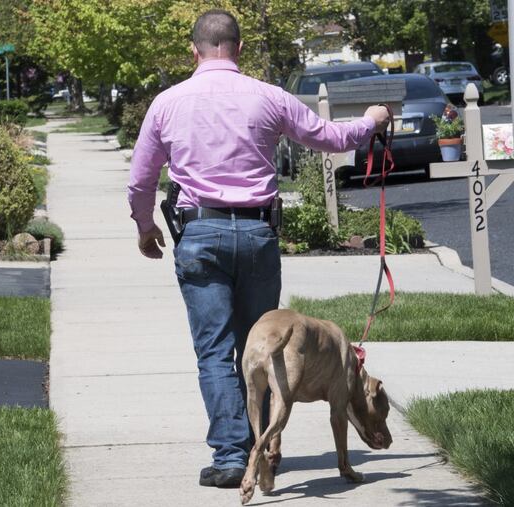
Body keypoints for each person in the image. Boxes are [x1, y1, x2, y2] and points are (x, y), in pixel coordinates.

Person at [127, 9, 389, 489]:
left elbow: (141, 178)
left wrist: (145, 227)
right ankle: (263, 449)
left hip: (200, 235)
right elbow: (328, 138)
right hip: (256, 235)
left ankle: (232, 456)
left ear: (194, 50)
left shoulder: (167, 103)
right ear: (240, 48)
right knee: (265, 350)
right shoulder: (268, 97)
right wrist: (370, 122)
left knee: (214, 351)